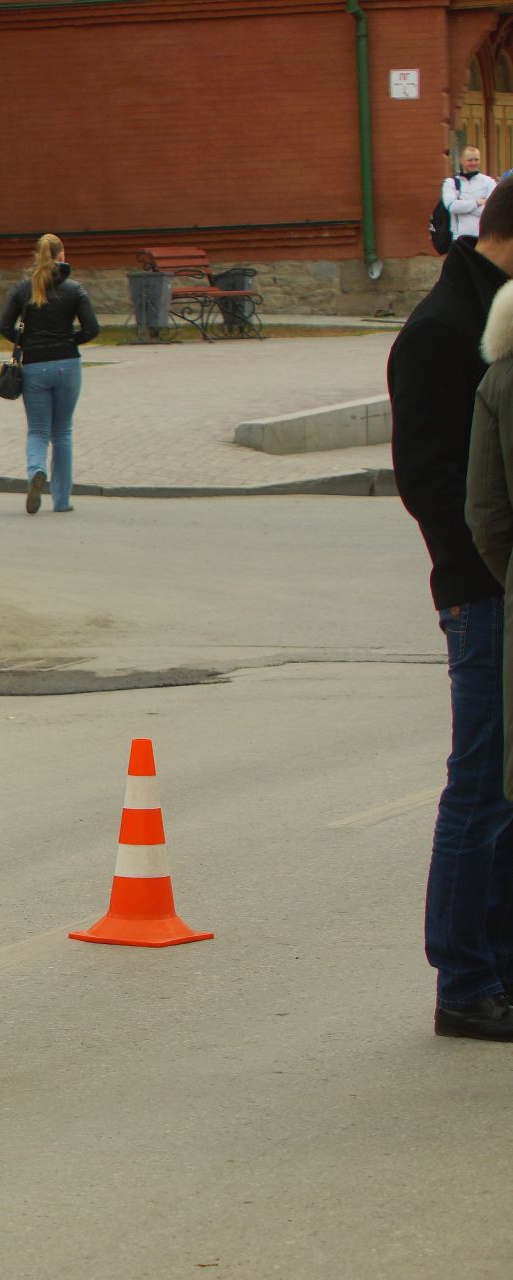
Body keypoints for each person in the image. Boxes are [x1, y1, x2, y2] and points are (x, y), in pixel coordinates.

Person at [389, 179, 513, 1041]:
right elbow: (431, 484)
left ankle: (495, 966)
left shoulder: (495, 313)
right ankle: (464, 980)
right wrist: (490, 573)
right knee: (481, 783)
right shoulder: (442, 331)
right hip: (484, 596)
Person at [0, 233, 99, 515]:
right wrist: (69, 341)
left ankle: (36, 471)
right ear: (62, 255)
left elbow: (4, 326)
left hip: (34, 366)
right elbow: (92, 329)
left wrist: (27, 342)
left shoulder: (22, 289)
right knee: (63, 432)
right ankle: (63, 500)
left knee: (39, 431)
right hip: (68, 363)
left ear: (37, 255)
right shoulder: (75, 289)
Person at [446, 147, 497, 245]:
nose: (474, 163)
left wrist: (463, 205)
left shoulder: (489, 182)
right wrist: (477, 202)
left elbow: (492, 210)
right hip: (460, 240)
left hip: (484, 239)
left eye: (476, 159)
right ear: (461, 160)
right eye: (470, 160)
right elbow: (452, 207)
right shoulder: (451, 183)